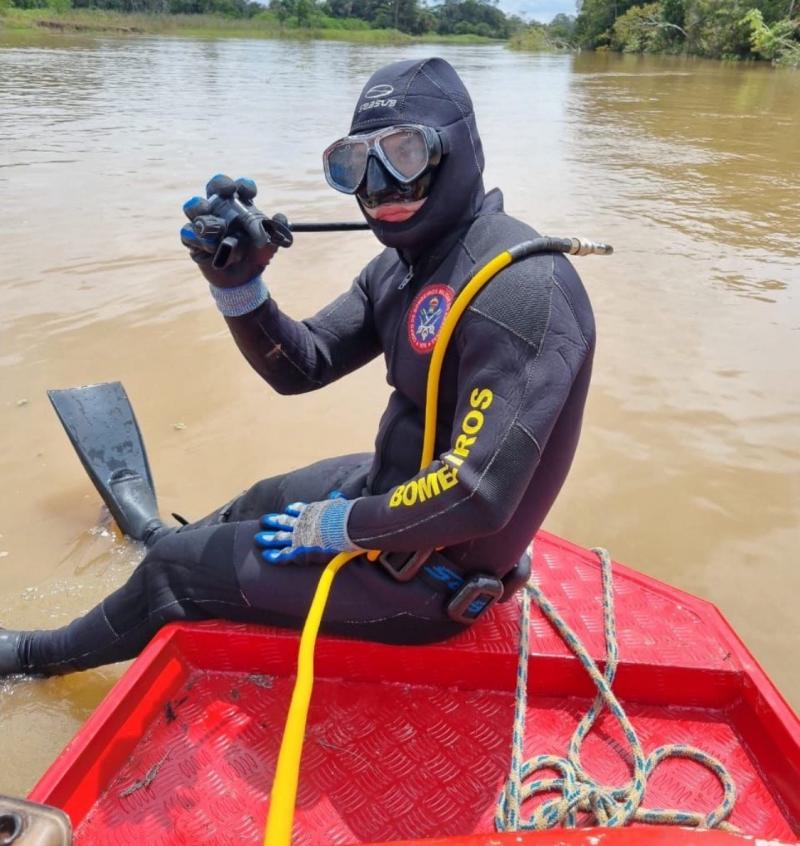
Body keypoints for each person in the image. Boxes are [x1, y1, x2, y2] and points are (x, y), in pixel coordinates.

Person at [0, 57, 595, 677]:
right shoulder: (403, 268)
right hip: (391, 492)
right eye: (354, 164)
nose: (380, 185)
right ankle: (167, 541)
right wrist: (239, 288)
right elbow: (303, 365)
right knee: (258, 500)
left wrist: (339, 527)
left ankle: (35, 657)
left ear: (460, 150)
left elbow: (476, 494)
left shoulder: (521, 291)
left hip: (430, 579)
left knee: (172, 577)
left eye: (405, 154)